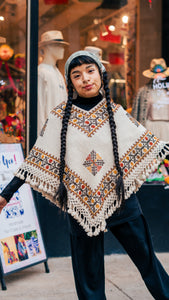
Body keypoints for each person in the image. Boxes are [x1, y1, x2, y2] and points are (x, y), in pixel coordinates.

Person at [0, 50, 169, 299]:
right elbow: (36, 161)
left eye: (90, 71)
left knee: (148, 263)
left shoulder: (116, 112)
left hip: (122, 201)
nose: (85, 79)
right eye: (76, 75)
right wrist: (6, 193)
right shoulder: (59, 118)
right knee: (89, 279)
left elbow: (149, 145)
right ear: (71, 82)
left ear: (100, 74)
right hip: (79, 203)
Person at [38, 30, 69, 134]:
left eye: (62, 46)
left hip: (59, 135)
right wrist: (42, 138)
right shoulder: (41, 73)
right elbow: (39, 109)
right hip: (48, 136)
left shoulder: (57, 73)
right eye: (58, 45)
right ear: (48, 47)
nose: (62, 49)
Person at [132, 58, 169, 141]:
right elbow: (135, 115)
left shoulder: (167, 90)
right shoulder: (142, 92)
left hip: (167, 129)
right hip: (150, 128)